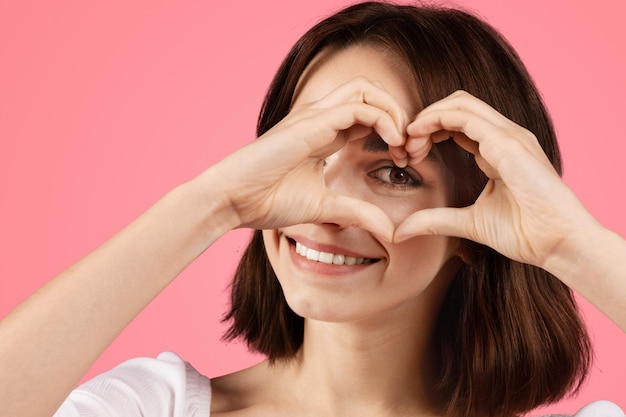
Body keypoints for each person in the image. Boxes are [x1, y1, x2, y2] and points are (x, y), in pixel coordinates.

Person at [1, 2, 624, 417]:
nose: (326, 207)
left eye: (394, 173)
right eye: (309, 149)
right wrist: (213, 203)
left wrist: (571, 246)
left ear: (479, 215)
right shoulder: (154, 408)